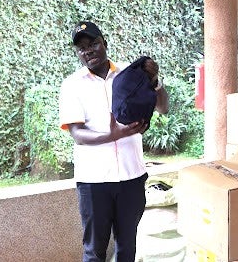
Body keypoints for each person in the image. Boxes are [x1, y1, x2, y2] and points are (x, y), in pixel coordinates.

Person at [59, 20, 169, 262]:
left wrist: (155, 81)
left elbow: (162, 108)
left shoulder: (131, 76)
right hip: (94, 182)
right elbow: (78, 134)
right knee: (94, 251)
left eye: (93, 43)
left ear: (104, 43)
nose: (88, 51)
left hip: (131, 176)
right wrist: (114, 135)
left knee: (127, 247)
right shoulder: (72, 85)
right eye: (81, 48)